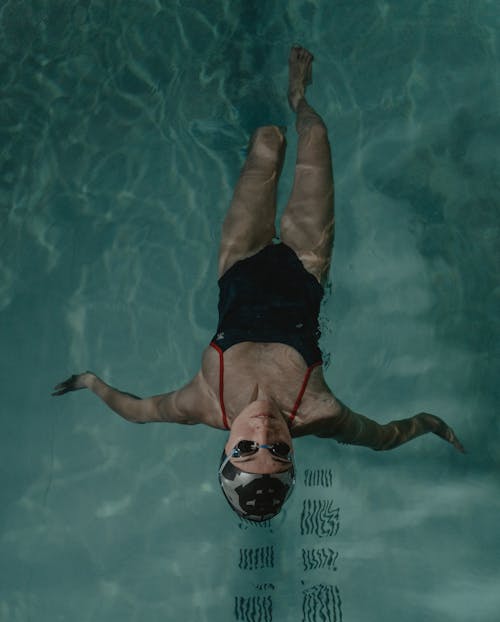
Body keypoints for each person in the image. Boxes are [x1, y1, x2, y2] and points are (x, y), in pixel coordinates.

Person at [53, 47, 464, 522]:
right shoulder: (321, 411)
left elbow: (138, 409)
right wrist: (430, 424)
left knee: (267, 144)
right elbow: (385, 436)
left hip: (240, 259)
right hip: (306, 263)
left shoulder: (203, 402)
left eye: (247, 447)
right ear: (295, 455)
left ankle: (247, 92)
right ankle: (297, 94)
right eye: (279, 452)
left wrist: (89, 382)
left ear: (226, 447)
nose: (264, 433)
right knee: (317, 135)